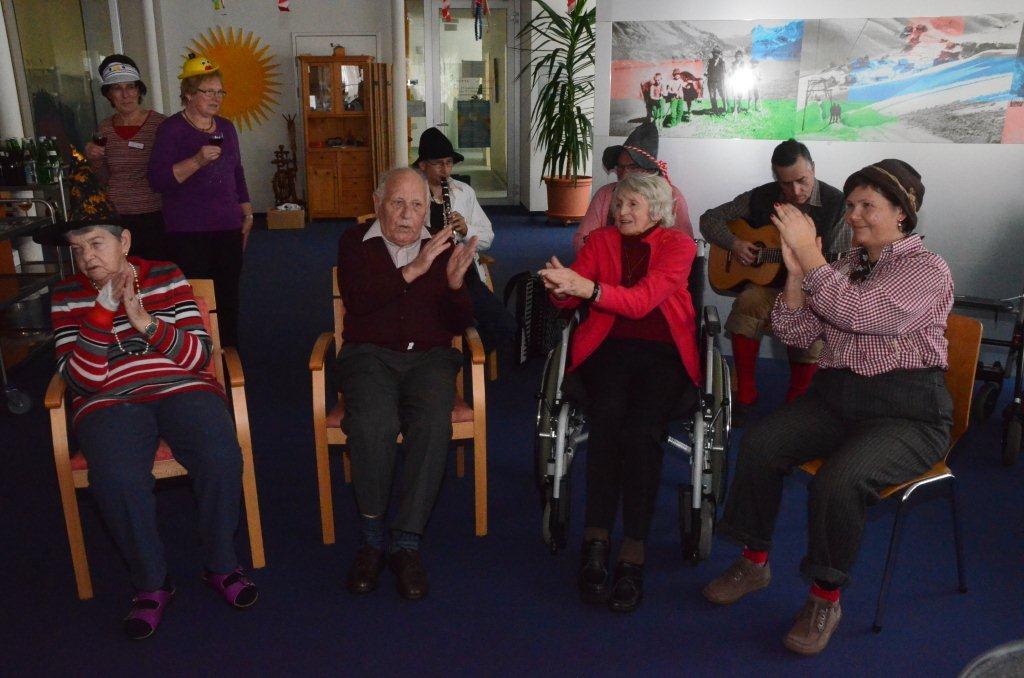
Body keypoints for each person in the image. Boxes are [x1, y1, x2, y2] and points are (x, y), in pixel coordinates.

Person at [703, 159, 950, 656]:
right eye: (851, 205)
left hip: (909, 411)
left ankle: (824, 598)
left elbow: (861, 313)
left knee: (840, 480)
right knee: (761, 444)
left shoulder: (926, 269)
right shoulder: (844, 267)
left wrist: (810, 256)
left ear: (902, 214)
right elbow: (794, 333)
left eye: (867, 206)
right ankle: (754, 562)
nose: (853, 215)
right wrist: (796, 276)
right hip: (837, 397)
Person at [38, 217, 258, 640]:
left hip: (183, 386)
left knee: (220, 455)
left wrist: (144, 321)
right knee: (117, 478)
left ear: (124, 241)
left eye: (96, 243)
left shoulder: (165, 275)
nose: (87, 257)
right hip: (109, 400)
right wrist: (103, 308)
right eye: (77, 249)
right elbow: (82, 379)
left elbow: (197, 355)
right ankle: (151, 582)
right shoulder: (67, 295)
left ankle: (221, 564)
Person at [538, 171, 700, 613]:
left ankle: (634, 548)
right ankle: (596, 537)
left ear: (657, 209)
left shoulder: (678, 246)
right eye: (618, 204)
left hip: (664, 351)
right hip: (608, 346)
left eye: (632, 205)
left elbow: (643, 301)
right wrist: (560, 289)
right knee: (607, 420)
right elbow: (571, 299)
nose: (622, 212)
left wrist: (586, 288)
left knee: (644, 430)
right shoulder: (601, 241)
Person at [336, 167, 478, 601]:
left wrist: (455, 285)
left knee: (433, 423)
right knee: (372, 423)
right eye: (397, 203)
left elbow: (460, 321)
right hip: (369, 356)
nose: (406, 214)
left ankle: (406, 542)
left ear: (426, 211)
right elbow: (359, 301)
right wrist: (414, 269)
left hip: (429, 358)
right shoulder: (354, 243)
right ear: (378, 203)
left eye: (417, 205)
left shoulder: (443, 245)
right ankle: (372, 538)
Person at [699, 139, 848, 421]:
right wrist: (734, 243)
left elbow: (841, 265)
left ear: (813, 169)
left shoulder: (837, 203)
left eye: (802, 181)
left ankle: (797, 399)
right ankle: (745, 392)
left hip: (811, 292)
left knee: (811, 318)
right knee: (748, 300)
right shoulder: (762, 196)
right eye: (786, 184)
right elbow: (709, 219)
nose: (796, 191)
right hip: (769, 289)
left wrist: (810, 262)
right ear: (776, 178)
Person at [148, 53, 252, 348]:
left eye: (220, 92)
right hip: (188, 231)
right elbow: (157, 180)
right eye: (208, 92)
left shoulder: (226, 127)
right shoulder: (172, 129)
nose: (216, 98)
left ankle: (228, 353)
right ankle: (199, 352)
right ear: (189, 94)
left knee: (228, 294)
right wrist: (197, 160)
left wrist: (247, 214)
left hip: (228, 226)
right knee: (195, 297)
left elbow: (236, 171)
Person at [413, 127, 516, 369]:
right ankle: (437, 363)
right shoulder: (410, 193)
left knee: (505, 325)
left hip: (462, 274)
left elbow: (488, 238)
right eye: (438, 164)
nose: (445, 170)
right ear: (423, 166)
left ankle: (464, 360)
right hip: (424, 277)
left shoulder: (464, 192)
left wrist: (466, 229)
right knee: (431, 327)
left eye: (449, 163)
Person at [83, 54, 167, 261]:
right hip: (117, 216)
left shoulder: (160, 125)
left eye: (131, 87)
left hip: (155, 214)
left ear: (139, 90)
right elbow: (103, 178)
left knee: (155, 271)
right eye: (117, 88)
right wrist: (94, 159)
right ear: (109, 95)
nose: (125, 94)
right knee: (123, 272)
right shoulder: (104, 128)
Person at [573, 122, 693, 252]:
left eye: (632, 167)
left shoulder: (672, 195)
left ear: (648, 170)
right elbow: (581, 240)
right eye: (620, 167)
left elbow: (683, 243)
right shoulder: (605, 194)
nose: (624, 173)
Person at [705, 47, 728, 115]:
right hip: (711, 82)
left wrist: (723, 80)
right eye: (714, 53)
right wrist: (706, 74)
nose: (715, 54)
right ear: (712, 54)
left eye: (717, 53)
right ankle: (715, 110)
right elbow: (706, 70)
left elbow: (724, 72)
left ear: (719, 54)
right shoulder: (709, 61)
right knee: (712, 96)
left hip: (720, 82)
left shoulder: (722, 62)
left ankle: (725, 109)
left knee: (723, 95)